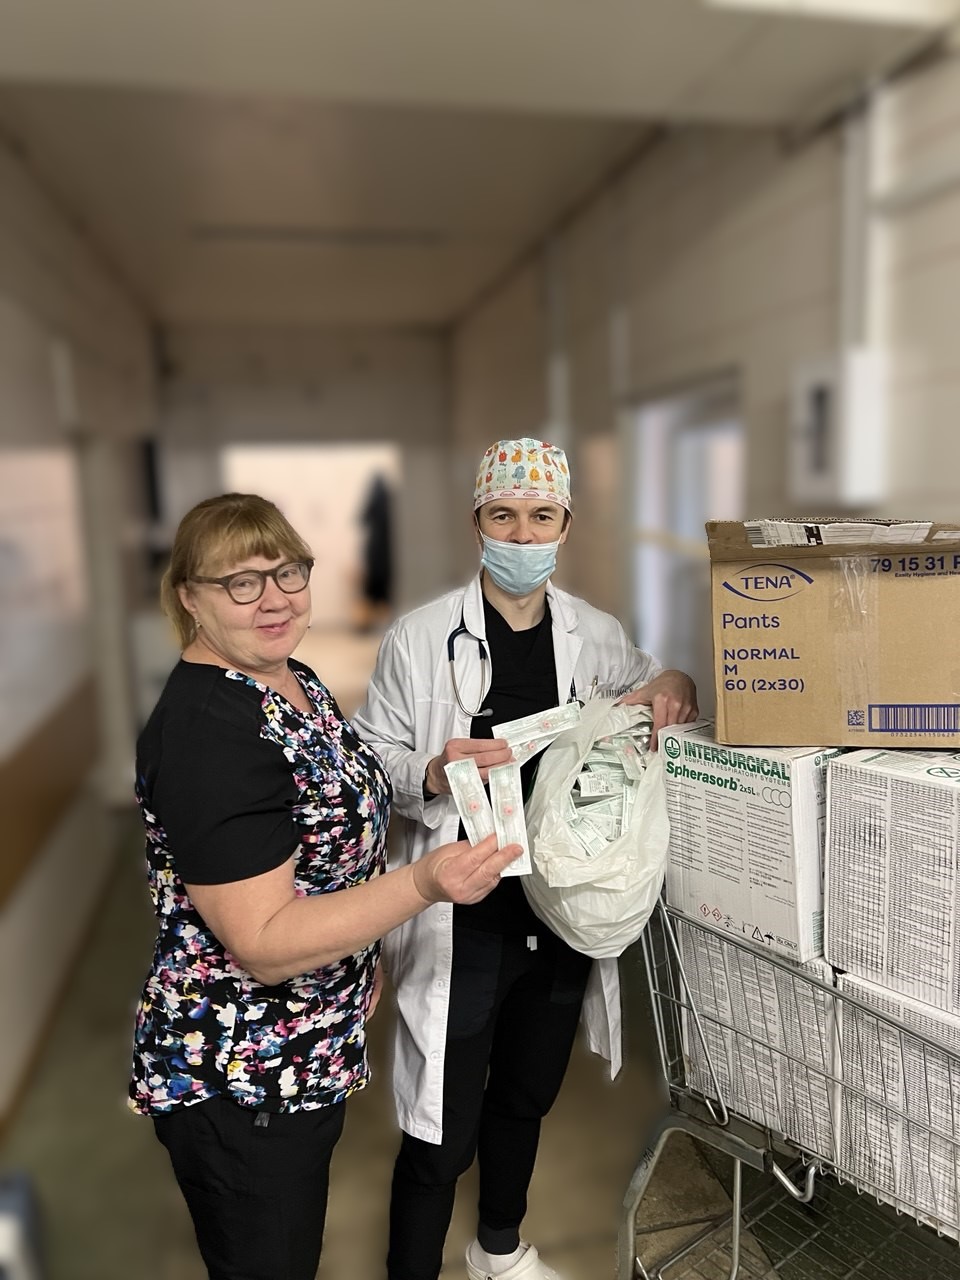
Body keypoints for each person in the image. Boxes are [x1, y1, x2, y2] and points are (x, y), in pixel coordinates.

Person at [128, 492, 520, 1280]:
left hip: (308, 1048)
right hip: (245, 1079)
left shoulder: (288, 679)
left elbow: (330, 820)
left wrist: (434, 773)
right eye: (241, 582)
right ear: (189, 597)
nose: (274, 598)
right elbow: (266, 942)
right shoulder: (211, 734)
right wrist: (424, 882)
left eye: (288, 572)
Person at [353, 438, 698, 1280]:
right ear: (477, 521)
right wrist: (430, 770)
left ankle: (498, 1249)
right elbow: (369, 756)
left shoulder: (596, 636)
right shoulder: (420, 638)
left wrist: (675, 684)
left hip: (558, 913)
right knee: (440, 1132)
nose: (522, 533)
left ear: (565, 525)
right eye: (503, 515)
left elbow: (654, 686)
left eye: (541, 516)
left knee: (524, 1096)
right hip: (465, 911)